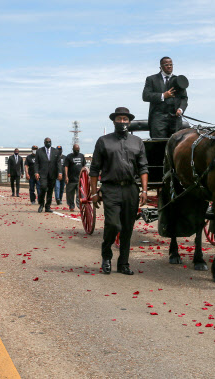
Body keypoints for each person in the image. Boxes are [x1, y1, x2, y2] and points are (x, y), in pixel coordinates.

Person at [90, 107, 148, 275]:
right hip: (111, 188)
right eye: (119, 119)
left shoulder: (137, 142)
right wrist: (94, 193)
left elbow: (143, 168)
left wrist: (144, 191)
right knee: (113, 224)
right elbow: (94, 169)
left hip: (130, 189)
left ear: (129, 122)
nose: (122, 122)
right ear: (114, 121)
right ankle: (106, 254)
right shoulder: (103, 141)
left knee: (128, 228)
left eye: (125, 119)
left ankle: (123, 264)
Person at [142, 56, 188, 138]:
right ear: (161, 67)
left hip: (175, 118)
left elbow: (184, 98)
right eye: (166, 64)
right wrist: (163, 95)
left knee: (175, 143)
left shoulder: (178, 80)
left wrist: (181, 109)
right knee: (159, 144)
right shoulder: (152, 79)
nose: (169, 66)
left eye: (171, 64)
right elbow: (145, 96)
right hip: (158, 118)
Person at [34, 137, 63, 213]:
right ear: (44, 143)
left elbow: (58, 163)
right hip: (42, 174)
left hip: (52, 174)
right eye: (47, 142)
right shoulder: (39, 151)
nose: (48, 143)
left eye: (49, 141)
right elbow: (36, 163)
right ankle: (41, 204)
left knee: (50, 190)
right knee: (43, 188)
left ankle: (47, 206)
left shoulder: (56, 151)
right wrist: (36, 172)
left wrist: (60, 173)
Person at [64, 143, 85, 211]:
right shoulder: (69, 157)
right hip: (71, 179)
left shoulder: (82, 156)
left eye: (78, 150)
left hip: (80, 179)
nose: (77, 151)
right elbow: (66, 167)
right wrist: (66, 176)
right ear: (73, 149)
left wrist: (84, 176)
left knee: (80, 194)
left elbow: (84, 166)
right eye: (75, 150)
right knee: (70, 194)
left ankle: (80, 206)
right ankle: (71, 206)